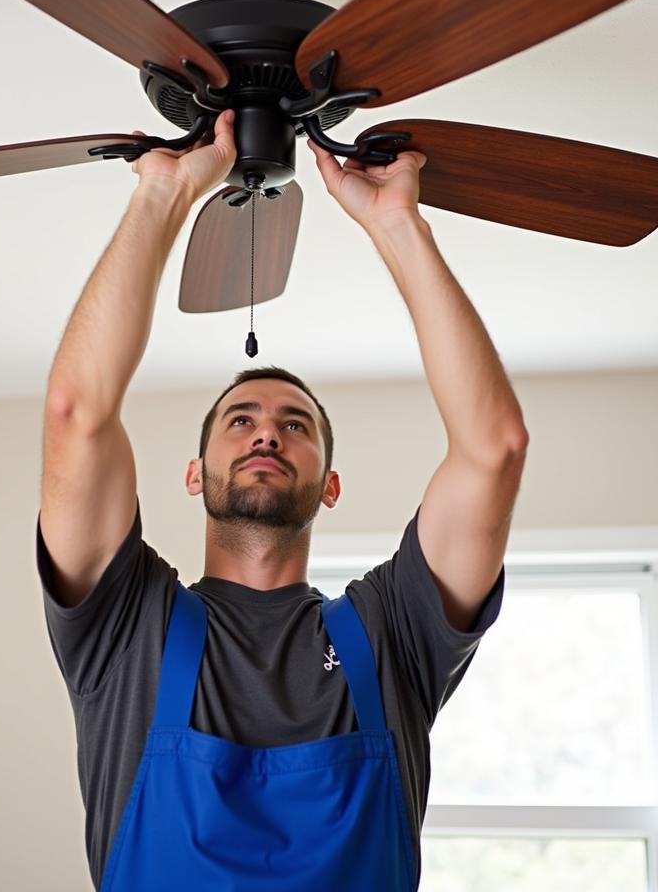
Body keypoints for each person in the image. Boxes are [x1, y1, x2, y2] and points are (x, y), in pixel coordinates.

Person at [37, 108, 528, 890]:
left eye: (295, 425)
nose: (267, 435)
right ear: (194, 473)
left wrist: (398, 223)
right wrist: (161, 195)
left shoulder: (393, 631)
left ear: (329, 486)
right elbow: (76, 413)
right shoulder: (124, 624)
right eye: (241, 421)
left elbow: (492, 447)